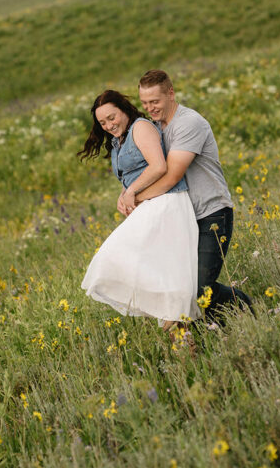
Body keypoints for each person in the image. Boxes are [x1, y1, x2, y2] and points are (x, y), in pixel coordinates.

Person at [125, 69, 254, 323]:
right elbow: (143, 169)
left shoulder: (189, 123)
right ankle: (216, 329)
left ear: (171, 94)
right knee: (180, 290)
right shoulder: (154, 128)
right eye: (145, 103)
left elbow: (171, 176)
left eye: (155, 102)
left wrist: (136, 198)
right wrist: (127, 191)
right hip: (180, 220)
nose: (150, 108)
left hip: (211, 214)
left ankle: (245, 309)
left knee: (197, 290)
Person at [78, 89, 200, 325]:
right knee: (157, 274)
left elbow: (158, 166)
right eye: (102, 122)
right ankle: (183, 343)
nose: (108, 125)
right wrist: (124, 193)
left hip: (166, 203)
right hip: (149, 205)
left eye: (112, 118)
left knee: (113, 259)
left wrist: (132, 191)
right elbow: (133, 174)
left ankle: (183, 328)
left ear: (124, 110)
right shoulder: (118, 141)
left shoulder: (141, 127)